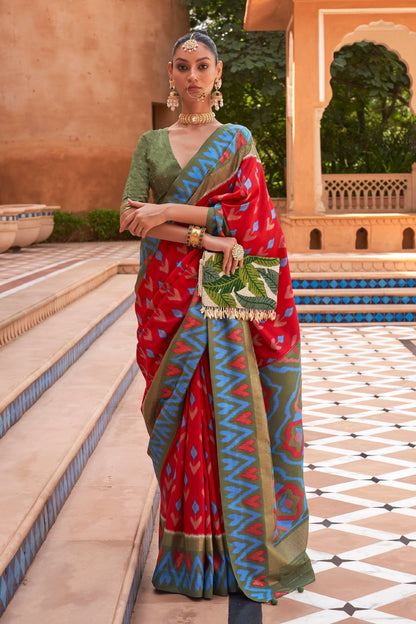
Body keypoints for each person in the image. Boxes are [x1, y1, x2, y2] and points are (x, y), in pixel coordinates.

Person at [119, 30, 314, 604]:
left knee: (234, 412)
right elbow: (129, 215)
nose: (192, 77)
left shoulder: (237, 139)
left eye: (202, 66)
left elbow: (248, 223)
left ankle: (240, 553)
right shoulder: (151, 144)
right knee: (180, 423)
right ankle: (186, 557)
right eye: (182, 67)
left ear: (218, 72)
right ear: (171, 76)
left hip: (224, 300)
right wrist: (196, 236)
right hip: (168, 300)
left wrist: (167, 214)